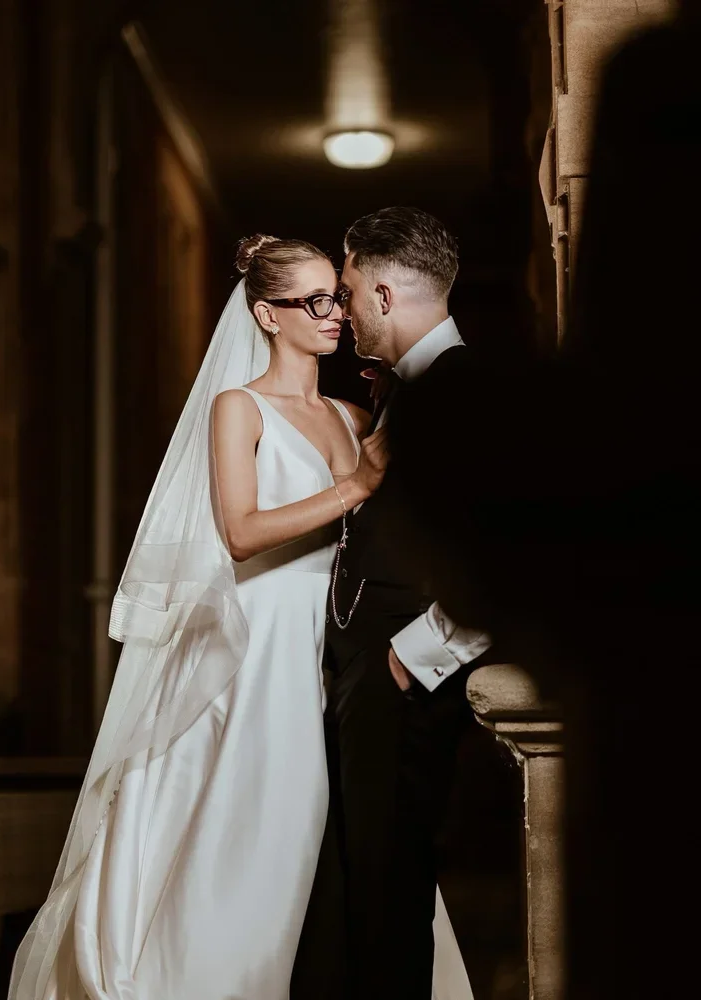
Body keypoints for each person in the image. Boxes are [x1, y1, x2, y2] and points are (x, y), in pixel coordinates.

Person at [7, 235, 388, 1000]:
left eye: (336, 297)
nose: (334, 314)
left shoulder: (350, 413)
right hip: (260, 632)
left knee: (336, 825)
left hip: (332, 631)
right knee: (261, 812)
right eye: (313, 301)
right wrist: (356, 488)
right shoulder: (237, 406)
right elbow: (240, 531)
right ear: (266, 315)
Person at [293, 207, 493, 1000]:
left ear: (381, 293)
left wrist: (414, 658)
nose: (341, 312)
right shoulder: (407, 393)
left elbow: (501, 553)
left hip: (402, 685)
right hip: (366, 683)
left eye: (345, 292)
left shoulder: (465, 390)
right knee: (365, 893)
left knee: (390, 894)